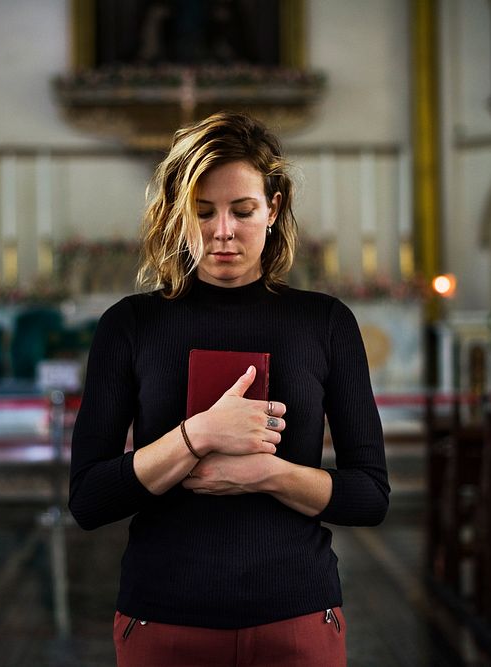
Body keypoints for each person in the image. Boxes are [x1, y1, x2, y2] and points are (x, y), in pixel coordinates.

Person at [69, 111, 389, 667]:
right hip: (164, 617)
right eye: (202, 212)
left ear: (274, 209)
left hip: (296, 616)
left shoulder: (326, 323)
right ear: (176, 216)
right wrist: (198, 435)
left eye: (242, 211)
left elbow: (370, 496)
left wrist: (268, 474)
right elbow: (90, 500)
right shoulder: (131, 325)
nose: (223, 231)